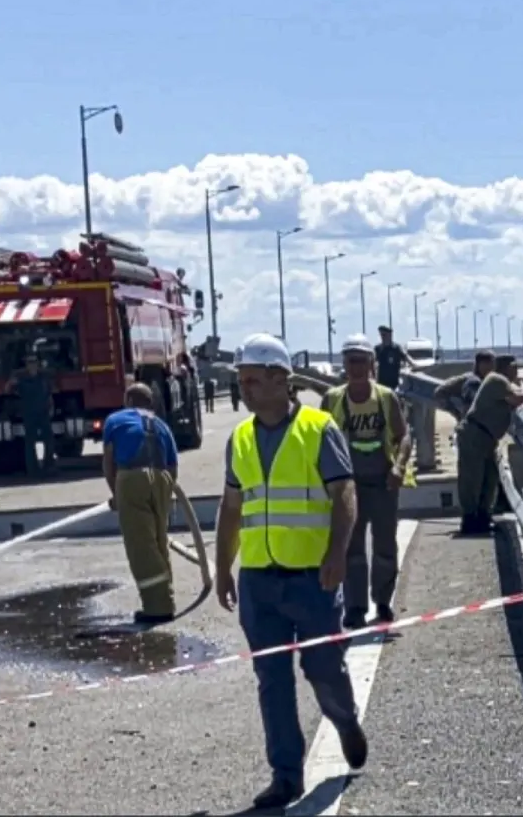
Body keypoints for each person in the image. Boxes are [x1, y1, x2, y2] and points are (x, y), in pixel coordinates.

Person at [213, 333, 368, 810]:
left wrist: (338, 553)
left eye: (254, 380)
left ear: (282, 381)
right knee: (272, 680)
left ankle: (343, 720)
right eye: (241, 381)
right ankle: (285, 776)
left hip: (312, 578)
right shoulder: (239, 438)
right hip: (260, 581)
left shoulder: (319, 429)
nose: (246, 390)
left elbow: (344, 493)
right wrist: (222, 568)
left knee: (323, 669)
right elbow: (232, 507)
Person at [321, 334, 414, 629]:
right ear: (344, 365)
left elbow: (404, 436)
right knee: (352, 548)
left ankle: (384, 603)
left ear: (372, 364)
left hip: (383, 483)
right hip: (349, 487)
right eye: (351, 362)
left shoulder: (385, 398)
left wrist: (399, 467)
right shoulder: (333, 400)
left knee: (385, 546)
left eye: (362, 361)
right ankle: (355, 608)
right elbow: (319, 441)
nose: (357, 368)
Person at [101, 382, 181, 623]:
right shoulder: (162, 426)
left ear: (127, 400)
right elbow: (173, 465)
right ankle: (166, 598)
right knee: (158, 542)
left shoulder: (115, 421)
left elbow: (108, 461)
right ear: (151, 403)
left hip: (131, 478)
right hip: (163, 479)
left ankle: (158, 608)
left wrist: (117, 494)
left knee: (141, 545)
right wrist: (164, 495)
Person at [455, 354, 523, 535]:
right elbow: (515, 398)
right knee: (472, 481)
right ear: (505, 367)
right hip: (475, 434)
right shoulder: (496, 380)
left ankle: (483, 518)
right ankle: (470, 521)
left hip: (487, 437)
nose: (516, 370)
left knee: (490, 479)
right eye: (514, 367)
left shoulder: (503, 382)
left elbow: (514, 394)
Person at [8, 348, 56, 476]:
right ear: (26, 364)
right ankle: (32, 469)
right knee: (30, 442)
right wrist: (11, 383)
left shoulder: (43, 377)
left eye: (34, 361)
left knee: (49, 440)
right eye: (30, 362)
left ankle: (49, 466)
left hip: (43, 412)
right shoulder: (21, 378)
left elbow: (50, 392)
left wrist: (51, 407)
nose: (32, 364)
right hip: (29, 413)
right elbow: (9, 390)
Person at [433, 348, 495, 421]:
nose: (489, 367)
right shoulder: (472, 381)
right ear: (479, 364)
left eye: (491, 363)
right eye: (486, 363)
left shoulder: (489, 380)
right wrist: (455, 412)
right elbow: (439, 392)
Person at [373, 325, 413, 391]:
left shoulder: (396, 348)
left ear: (390, 335)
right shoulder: (378, 349)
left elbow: (408, 359)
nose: (382, 337)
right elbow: (371, 362)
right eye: (381, 335)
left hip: (394, 384)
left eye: (384, 335)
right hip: (381, 384)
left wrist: (414, 366)